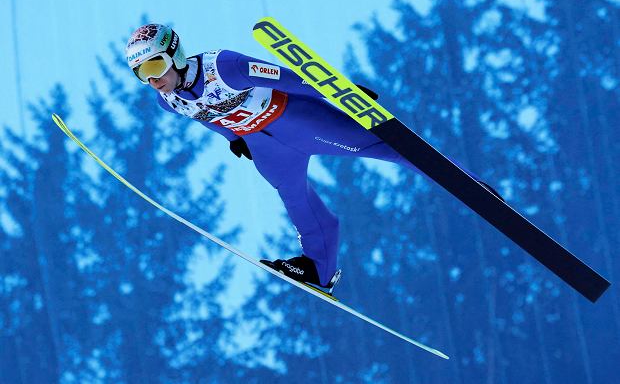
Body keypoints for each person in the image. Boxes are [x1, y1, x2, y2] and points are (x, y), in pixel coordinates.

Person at [125, 23, 502, 292]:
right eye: (142, 73)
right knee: (296, 200)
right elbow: (205, 117)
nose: (152, 79)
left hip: (297, 120)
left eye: (155, 66)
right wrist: (233, 137)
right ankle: (320, 269)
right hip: (265, 147)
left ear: (174, 53)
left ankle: (469, 186)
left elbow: (285, 77)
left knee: (388, 146)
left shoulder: (223, 66)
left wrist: (339, 91)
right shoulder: (168, 102)